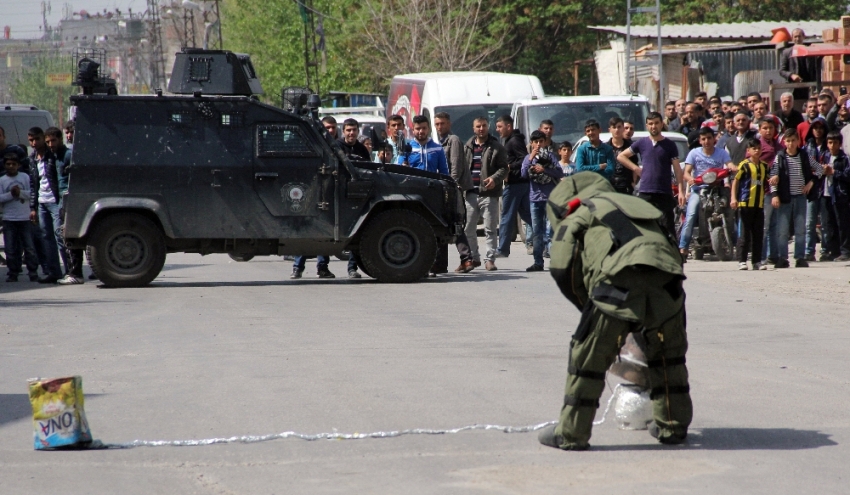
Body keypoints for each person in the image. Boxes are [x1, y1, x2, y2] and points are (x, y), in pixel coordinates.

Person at [538, 172, 691, 450]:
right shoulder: (635, 204)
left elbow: (563, 268)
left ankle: (571, 434)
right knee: (669, 356)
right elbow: (670, 249)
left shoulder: (578, 215)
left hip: (616, 284)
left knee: (587, 357)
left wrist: (589, 308)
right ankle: (673, 426)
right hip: (668, 282)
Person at [618, 112, 685, 235]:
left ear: (661, 124)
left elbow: (677, 169)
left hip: (664, 192)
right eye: (650, 124)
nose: (653, 126)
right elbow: (621, 156)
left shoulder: (670, 145)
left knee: (668, 231)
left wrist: (681, 191)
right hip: (646, 192)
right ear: (647, 126)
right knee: (644, 229)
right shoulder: (642, 143)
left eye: (656, 123)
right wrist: (636, 169)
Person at [678, 126, 735, 259]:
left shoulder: (722, 153)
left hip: (718, 188)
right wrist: (691, 179)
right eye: (703, 139)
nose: (707, 141)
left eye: (709, 138)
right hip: (699, 189)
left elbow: (730, 164)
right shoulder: (694, 153)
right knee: (691, 214)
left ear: (714, 139)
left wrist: (734, 168)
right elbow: (686, 172)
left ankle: (735, 240)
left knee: (732, 209)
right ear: (700, 140)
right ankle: (683, 247)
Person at [463, 117, 509, 271]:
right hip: (470, 193)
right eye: (478, 126)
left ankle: (490, 259)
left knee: (490, 228)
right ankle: (474, 258)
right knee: (468, 228)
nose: (481, 129)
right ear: (473, 128)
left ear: (488, 127)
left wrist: (495, 179)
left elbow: (504, 168)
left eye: (483, 126)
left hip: (489, 194)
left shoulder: (496, 147)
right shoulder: (468, 146)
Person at [770, 128, 819, 268]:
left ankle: (800, 257)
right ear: (784, 142)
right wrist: (775, 194)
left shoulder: (804, 156)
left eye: (793, 141)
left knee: (800, 229)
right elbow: (773, 177)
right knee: (783, 230)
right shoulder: (780, 157)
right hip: (785, 197)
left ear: (798, 141)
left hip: (800, 197)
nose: (790, 144)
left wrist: (812, 182)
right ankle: (783, 258)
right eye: (788, 141)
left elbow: (820, 169)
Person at [434, 112, 476, 274]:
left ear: (449, 124)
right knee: (443, 223)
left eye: (443, 124)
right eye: (437, 124)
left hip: (452, 189)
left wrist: (450, 187)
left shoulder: (454, 140)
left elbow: (455, 168)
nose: (440, 127)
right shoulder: (440, 142)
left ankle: (467, 259)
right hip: (442, 189)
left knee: (455, 224)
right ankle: (441, 263)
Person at [521, 130, 564, 271]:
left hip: (550, 198)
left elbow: (559, 172)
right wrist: (531, 157)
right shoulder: (529, 157)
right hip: (535, 199)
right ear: (532, 143)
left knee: (551, 231)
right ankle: (538, 262)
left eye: (541, 141)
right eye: (536, 142)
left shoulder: (551, 156)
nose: (539, 144)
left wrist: (544, 169)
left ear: (545, 142)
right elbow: (523, 173)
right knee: (537, 232)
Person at [28, 127, 64, 284]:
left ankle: (70, 271)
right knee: (46, 238)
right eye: (31, 140)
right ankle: (54, 272)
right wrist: (33, 207)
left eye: (37, 139)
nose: (34, 143)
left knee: (60, 236)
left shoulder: (53, 156)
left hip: (55, 202)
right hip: (42, 203)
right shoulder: (32, 158)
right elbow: (33, 184)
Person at [494, 114, 532, 259]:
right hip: (520, 183)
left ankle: (502, 249)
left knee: (506, 217)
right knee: (528, 216)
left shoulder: (514, 141)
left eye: (500, 126)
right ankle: (548, 241)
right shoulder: (511, 140)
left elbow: (524, 159)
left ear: (508, 126)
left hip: (515, 184)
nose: (498, 130)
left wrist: (509, 167)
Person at [730, 139, 769, 270]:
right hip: (745, 203)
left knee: (758, 234)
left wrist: (774, 180)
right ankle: (742, 260)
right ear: (748, 151)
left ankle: (756, 261)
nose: (757, 150)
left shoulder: (764, 166)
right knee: (745, 234)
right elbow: (735, 181)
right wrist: (733, 198)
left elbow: (768, 180)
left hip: (759, 205)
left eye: (759, 148)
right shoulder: (744, 165)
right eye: (754, 148)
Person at [1, 153, 39, 282]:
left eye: (13, 164)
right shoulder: (2, 180)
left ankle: (32, 271)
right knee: (10, 248)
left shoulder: (25, 177)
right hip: (9, 218)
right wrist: (12, 194)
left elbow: (32, 194)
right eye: (8, 164)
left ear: (19, 165)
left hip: (24, 218)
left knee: (29, 247)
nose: (11, 166)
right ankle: (13, 272)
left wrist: (20, 193)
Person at [804, 118, 836, 261]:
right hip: (810, 189)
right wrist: (817, 172)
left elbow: (827, 168)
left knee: (824, 222)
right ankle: (809, 251)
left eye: (821, 127)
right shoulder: (807, 147)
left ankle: (825, 250)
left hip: (825, 188)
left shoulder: (827, 146)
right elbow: (808, 168)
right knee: (810, 222)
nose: (818, 130)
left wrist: (819, 171)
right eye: (815, 127)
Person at [758, 117, 785, 265]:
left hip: (777, 190)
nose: (768, 131)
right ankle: (761, 256)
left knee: (775, 224)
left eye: (771, 128)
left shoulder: (779, 146)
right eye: (765, 128)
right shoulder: (757, 146)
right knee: (765, 224)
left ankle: (773, 255)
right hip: (764, 190)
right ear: (759, 129)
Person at [779, 28, 820, 101]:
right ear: (792, 38)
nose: (797, 39)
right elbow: (782, 71)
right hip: (793, 88)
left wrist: (816, 86)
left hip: (808, 87)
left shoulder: (810, 51)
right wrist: (791, 75)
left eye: (799, 36)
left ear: (804, 37)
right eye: (795, 37)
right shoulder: (787, 52)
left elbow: (815, 70)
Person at [828, 131, 850, 261]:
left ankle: (846, 251)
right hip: (826, 194)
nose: (832, 146)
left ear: (840, 144)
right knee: (830, 224)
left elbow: (847, 175)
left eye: (835, 143)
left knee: (843, 224)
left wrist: (834, 172)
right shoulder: (825, 156)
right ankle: (833, 250)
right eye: (830, 142)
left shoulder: (844, 158)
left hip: (840, 194)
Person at [607, 117, 634, 194]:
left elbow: (635, 165)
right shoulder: (605, 147)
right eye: (614, 127)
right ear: (610, 130)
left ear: (623, 128)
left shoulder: (630, 147)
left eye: (619, 127)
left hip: (626, 186)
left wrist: (633, 182)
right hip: (610, 186)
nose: (617, 130)